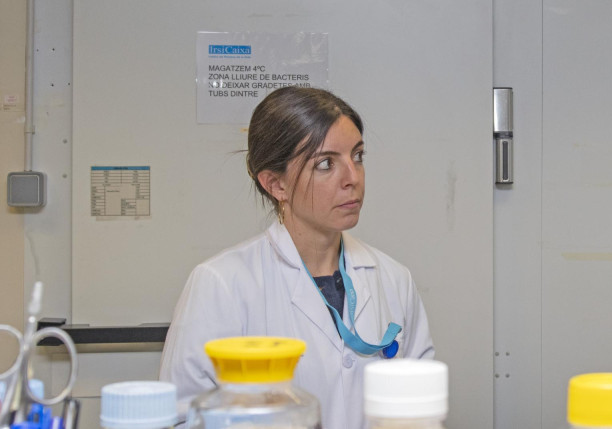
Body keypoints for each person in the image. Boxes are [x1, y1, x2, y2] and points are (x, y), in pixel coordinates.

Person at [160, 87, 434, 429]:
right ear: (276, 184)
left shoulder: (392, 278)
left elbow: (420, 410)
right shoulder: (222, 284)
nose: (353, 178)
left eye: (358, 156)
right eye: (325, 164)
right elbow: (183, 418)